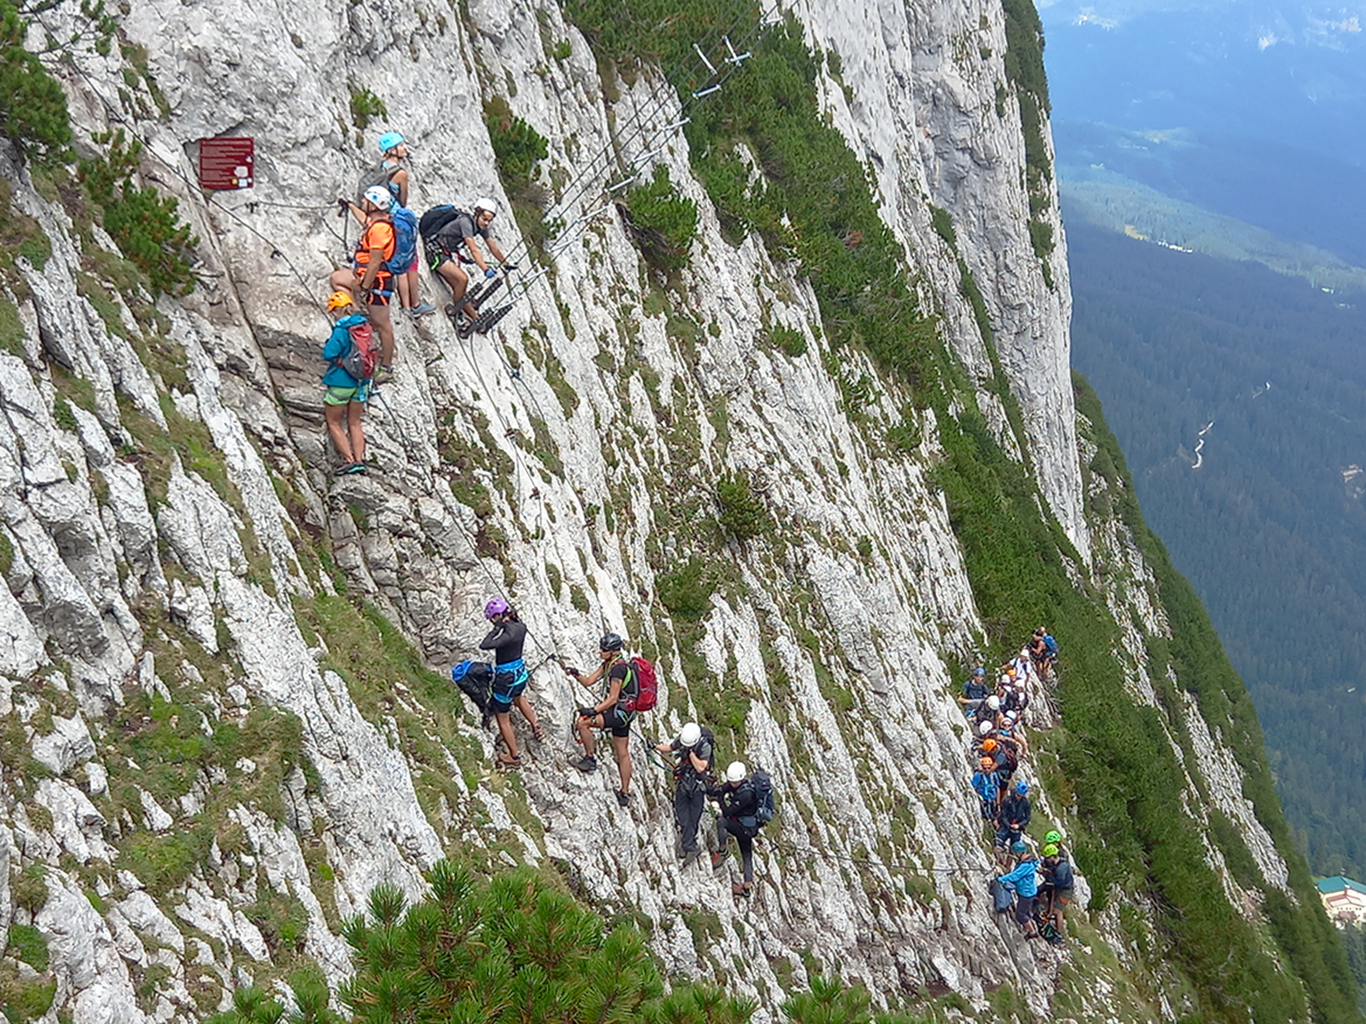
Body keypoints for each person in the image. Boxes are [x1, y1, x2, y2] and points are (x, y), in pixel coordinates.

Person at [331, 187, 398, 381]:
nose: (362, 201)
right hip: (366, 277)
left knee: (383, 325)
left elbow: (375, 261)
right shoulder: (376, 223)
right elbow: (364, 219)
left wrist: (365, 286)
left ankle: (386, 368)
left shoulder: (379, 230)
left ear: (374, 204)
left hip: (378, 282)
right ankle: (358, 312)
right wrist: (351, 205)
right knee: (337, 279)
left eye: (365, 200)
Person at [366, 132, 434, 320]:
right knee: (408, 262)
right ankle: (413, 305)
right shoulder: (400, 173)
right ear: (392, 149)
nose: (405, 148)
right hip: (398, 219)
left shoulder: (380, 168)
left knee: (396, 261)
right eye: (402, 145)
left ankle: (406, 307)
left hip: (382, 218)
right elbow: (403, 200)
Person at [565, 632, 637, 807]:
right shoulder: (613, 663)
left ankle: (590, 759)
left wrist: (593, 710)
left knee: (583, 723)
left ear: (613, 651)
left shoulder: (617, 669)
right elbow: (589, 681)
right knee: (623, 753)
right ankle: (624, 793)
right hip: (626, 713)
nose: (600, 652)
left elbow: (612, 698)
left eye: (604, 649)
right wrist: (575, 674)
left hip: (617, 712)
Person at [423, 197, 514, 328]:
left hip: (444, 253)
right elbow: (473, 249)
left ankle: (477, 320)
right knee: (463, 279)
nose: (487, 223)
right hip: (435, 252)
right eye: (485, 219)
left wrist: (505, 263)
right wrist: (484, 269)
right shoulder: (466, 223)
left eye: (490, 220)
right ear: (477, 214)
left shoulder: (480, 226)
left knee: (460, 289)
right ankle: (456, 313)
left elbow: (493, 247)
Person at [479, 599, 544, 769]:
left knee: (503, 718)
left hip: (505, 680)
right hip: (520, 675)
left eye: (493, 618)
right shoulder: (520, 626)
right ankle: (536, 726)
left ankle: (514, 756)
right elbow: (514, 621)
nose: (492, 622)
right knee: (519, 697)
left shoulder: (506, 635)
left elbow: (485, 645)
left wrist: (497, 628)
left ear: (499, 616)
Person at [320, 292, 370, 474]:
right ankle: (360, 459)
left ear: (337, 310)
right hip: (362, 382)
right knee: (355, 422)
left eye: (333, 311)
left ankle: (349, 460)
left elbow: (329, 353)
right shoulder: (364, 326)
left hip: (342, 381)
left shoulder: (341, 329)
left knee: (333, 422)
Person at [655, 722, 714, 861]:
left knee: (693, 818)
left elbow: (701, 767)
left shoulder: (704, 746)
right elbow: (670, 747)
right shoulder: (684, 739)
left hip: (698, 786)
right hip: (684, 782)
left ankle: (689, 846)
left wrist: (691, 753)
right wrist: (655, 746)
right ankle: (689, 846)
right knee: (682, 813)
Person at [710, 761, 760, 896]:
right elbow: (725, 788)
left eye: (735, 782)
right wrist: (715, 790)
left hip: (743, 828)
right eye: (731, 781)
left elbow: (727, 812)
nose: (732, 784)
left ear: (741, 779)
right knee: (747, 854)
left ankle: (722, 851)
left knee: (722, 822)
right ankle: (747, 887)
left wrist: (719, 799)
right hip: (749, 827)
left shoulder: (745, 795)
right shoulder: (741, 785)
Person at [996, 842, 1040, 938]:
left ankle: (1032, 932)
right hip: (1028, 892)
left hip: (1026, 894)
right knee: (1026, 911)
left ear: (1019, 853)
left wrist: (1001, 879)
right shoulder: (1026, 862)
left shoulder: (1025, 866)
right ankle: (1027, 926)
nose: (1014, 855)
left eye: (1015, 853)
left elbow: (1015, 875)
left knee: (1020, 915)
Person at [1039, 843, 1074, 943]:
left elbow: (1060, 883)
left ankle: (1058, 934)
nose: (1047, 860)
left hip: (1065, 891)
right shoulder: (1057, 864)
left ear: (1053, 856)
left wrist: (1048, 876)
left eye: (1048, 858)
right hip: (1060, 888)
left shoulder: (1062, 868)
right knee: (1053, 907)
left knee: (1058, 911)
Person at [995, 780, 1032, 864]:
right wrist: (1008, 825)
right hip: (1006, 826)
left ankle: (1008, 867)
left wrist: (1019, 825)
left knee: (1014, 850)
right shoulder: (1008, 800)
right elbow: (1003, 815)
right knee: (998, 843)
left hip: (1017, 829)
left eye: (1021, 796)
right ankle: (1001, 862)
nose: (1019, 797)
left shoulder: (1026, 803)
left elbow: (1027, 817)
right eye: (1018, 795)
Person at [971, 756, 1001, 821]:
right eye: (985, 768)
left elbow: (997, 788)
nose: (987, 770)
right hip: (983, 802)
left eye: (989, 768)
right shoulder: (978, 775)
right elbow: (973, 788)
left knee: (995, 818)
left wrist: (998, 803)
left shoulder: (994, 775)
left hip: (992, 801)